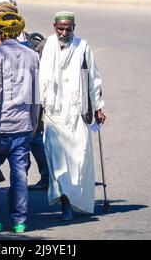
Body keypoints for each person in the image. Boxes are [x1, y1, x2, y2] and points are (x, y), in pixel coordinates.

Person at [0, 11, 39, 233]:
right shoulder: (32, 55)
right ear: (20, 31)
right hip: (23, 127)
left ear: (1, 32)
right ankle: (19, 221)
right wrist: (34, 123)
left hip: (1, 127)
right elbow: (36, 94)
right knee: (20, 175)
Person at [39, 11, 106, 221]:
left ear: (74, 28)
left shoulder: (83, 47)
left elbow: (93, 79)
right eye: (61, 28)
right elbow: (37, 80)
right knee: (57, 160)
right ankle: (65, 203)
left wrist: (98, 108)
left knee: (80, 156)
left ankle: (76, 199)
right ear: (54, 26)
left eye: (68, 28)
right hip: (53, 113)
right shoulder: (47, 46)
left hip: (77, 111)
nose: (64, 32)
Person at [0, 1, 50, 190]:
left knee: (35, 141)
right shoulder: (0, 40)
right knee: (28, 147)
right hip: (13, 110)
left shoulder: (25, 43)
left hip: (22, 108)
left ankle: (45, 177)